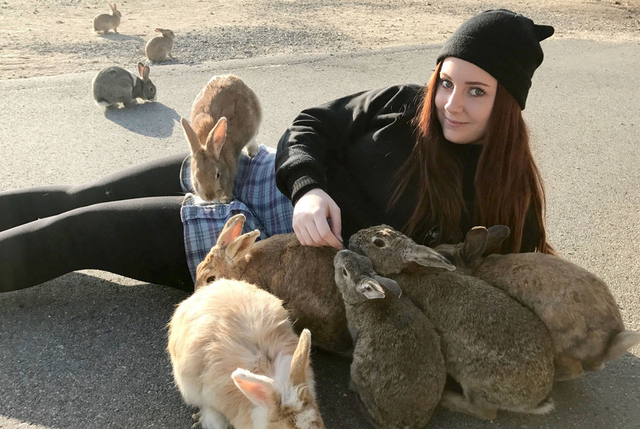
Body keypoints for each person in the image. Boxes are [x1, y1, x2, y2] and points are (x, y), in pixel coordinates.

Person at [0, 9, 554, 294]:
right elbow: (313, 125)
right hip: (250, 171)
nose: (451, 104)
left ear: (509, 103)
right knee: (83, 194)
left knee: (79, 233)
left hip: (260, 247)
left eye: (477, 92)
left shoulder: (505, 197)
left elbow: (506, 285)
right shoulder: (407, 103)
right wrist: (309, 189)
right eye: (447, 82)